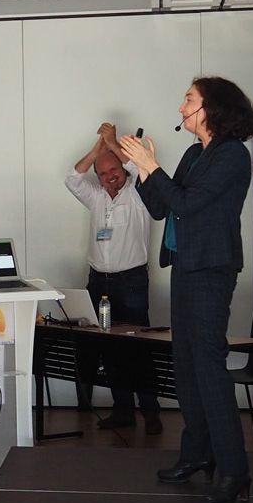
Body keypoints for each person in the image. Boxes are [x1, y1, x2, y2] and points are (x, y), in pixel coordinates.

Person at [119, 77, 253, 503]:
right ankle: (197, 454)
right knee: (185, 366)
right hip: (185, 268)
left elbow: (186, 204)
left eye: (189, 99)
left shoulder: (232, 155)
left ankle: (235, 470)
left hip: (211, 271)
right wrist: (145, 170)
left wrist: (152, 167)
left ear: (211, 108)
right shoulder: (192, 153)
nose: (181, 106)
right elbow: (163, 206)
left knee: (208, 367)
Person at [67, 122, 162, 434]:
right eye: (105, 170)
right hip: (98, 283)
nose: (112, 174)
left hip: (131, 282)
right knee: (110, 350)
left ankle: (151, 413)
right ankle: (123, 411)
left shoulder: (138, 192)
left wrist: (110, 140)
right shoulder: (95, 197)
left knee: (139, 348)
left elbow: (139, 164)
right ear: (99, 175)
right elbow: (72, 178)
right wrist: (98, 150)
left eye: (116, 168)